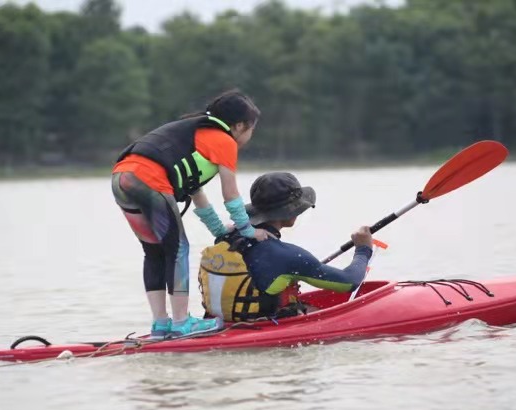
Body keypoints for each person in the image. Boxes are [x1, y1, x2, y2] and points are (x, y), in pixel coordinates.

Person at [111, 90, 273, 339]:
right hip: (148, 180)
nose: (250, 135)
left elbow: (197, 195)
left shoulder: (195, 136)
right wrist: (249, 230)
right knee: (178, 249)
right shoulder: (224, 140)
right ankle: (181, 323)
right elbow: (230, 195)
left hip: (121, 179)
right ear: (239, 126)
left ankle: (161, 324)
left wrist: (219, 232)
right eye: (251, 129)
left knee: (154, 252)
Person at [199, 172, 374, 321]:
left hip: (227, 322)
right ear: (290, 211)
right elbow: (349, 282)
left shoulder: (227, 237)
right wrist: (363, 250)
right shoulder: (287, 256)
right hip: (262, 324)